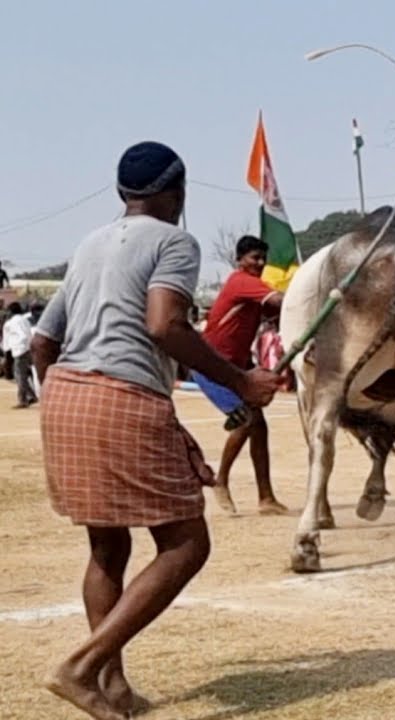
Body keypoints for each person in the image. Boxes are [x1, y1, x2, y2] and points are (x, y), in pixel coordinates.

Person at [30, 141, 279, 720]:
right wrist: (241, 381)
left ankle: (111, 686)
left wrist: (63, 398)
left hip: (65, 394)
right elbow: (165, 325)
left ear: (122, 193)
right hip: (123, 394)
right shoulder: (174, 241)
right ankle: (81, 668)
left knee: (108, 545)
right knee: (186, 542)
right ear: (178, 193)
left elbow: (43, 341)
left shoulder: (90, 244)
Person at [195, 235, 286, 516]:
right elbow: (281, 301)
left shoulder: (255, 290)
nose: (260, 263)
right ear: (240, 260)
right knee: (246, 421)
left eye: (262, 258)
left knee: (259, 426)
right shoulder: (242, 282)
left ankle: (266, 498)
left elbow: (275, 311)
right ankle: (220, 481)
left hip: (235, 367)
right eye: (254, 258)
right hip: (211, 366)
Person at [2, 301, 38, 408]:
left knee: (19, 376)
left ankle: (23, 400)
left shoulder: (12, 322)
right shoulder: (24, 320)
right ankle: (31, 395)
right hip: (27, 349)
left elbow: (21, 336)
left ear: (11, 311)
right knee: (22, 375)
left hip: (19, 351)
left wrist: (13, 348)